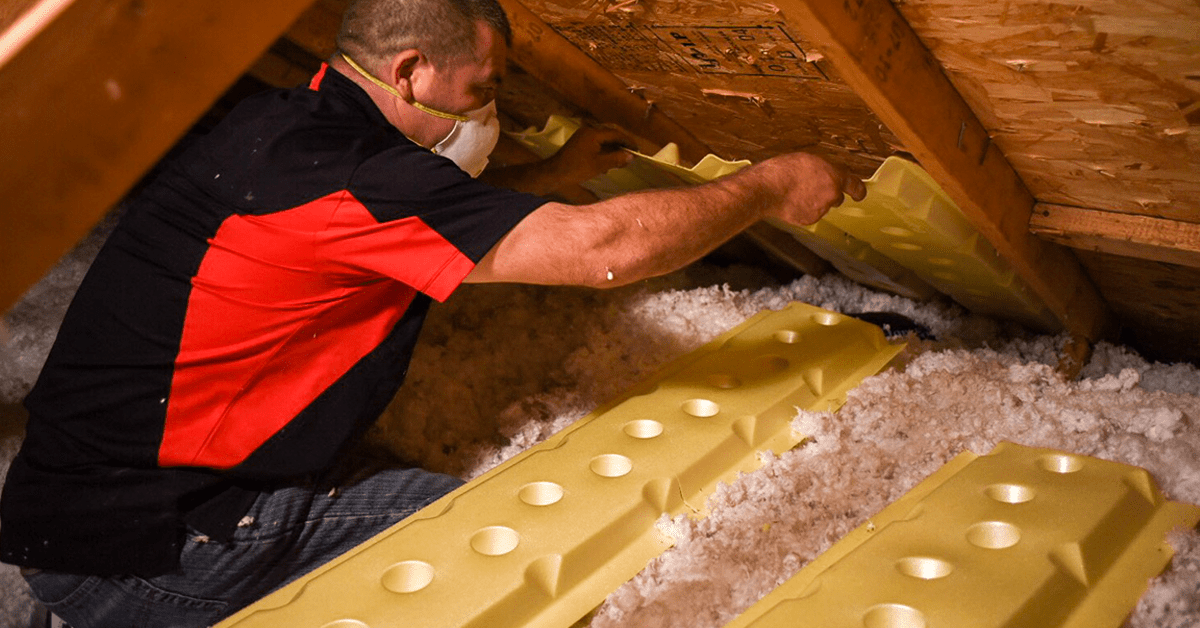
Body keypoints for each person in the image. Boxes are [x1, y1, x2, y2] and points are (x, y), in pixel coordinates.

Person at [0, 0, 865, 625]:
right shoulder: (364, 179)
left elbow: (403, 224)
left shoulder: (281, 123)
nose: (487, 107)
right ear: (411, 68)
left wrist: (552, 177)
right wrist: (769, 183)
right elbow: (607, 252)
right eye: (480, 86)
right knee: (516, 545)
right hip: (155, 544)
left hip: (66, 499)